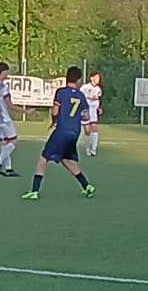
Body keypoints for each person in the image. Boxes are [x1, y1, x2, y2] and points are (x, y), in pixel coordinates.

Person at [22, 66, 96, 201]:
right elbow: (86, 116)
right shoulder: (81, 96)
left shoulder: (61, 92)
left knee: (44, 158)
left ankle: (34, 190)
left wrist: (54, 121)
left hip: (62, 130)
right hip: (75, 132)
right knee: (65, 159)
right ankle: (86, 185)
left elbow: (55, 111)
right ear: (78, 80)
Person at [82, 70, 104, 156]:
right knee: (87, 131)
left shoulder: (98, 89)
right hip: (86, 111)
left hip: (93, 111)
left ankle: (93, 149)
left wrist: (99, 108)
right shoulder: (85, 88)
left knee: (94, 128)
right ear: (92, 78)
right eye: (97, 77)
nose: (98, 79)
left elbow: (98, 100)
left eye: (99, 78)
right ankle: (87, 148)